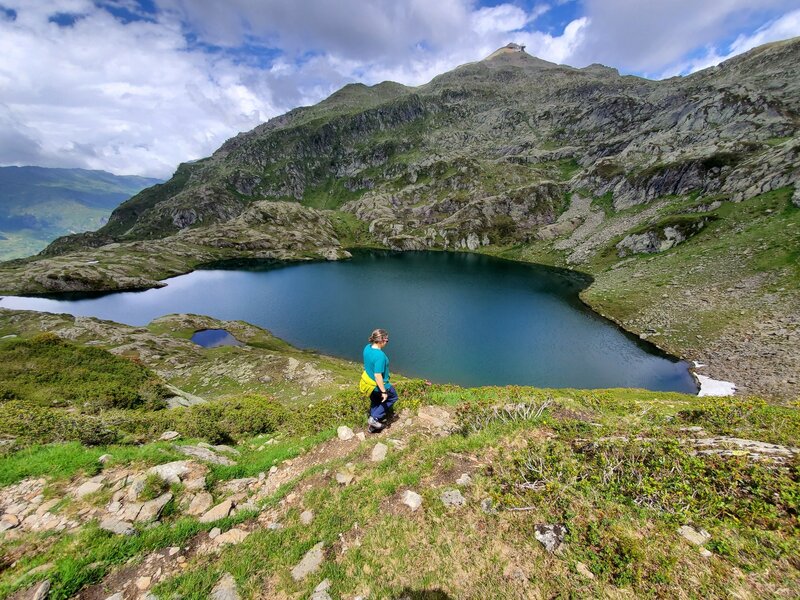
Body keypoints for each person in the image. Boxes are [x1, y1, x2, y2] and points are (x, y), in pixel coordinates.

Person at [363, 328, 398, 433]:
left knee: (376, 401)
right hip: (380, 385)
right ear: (381, 340)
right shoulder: (380, 356)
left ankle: (372, 427)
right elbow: (378, 375)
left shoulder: (367, 348)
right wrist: (383, 391)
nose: (387, 342)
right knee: (393, 397)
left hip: (369, 383)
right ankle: (374, 418)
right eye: (386, 340)